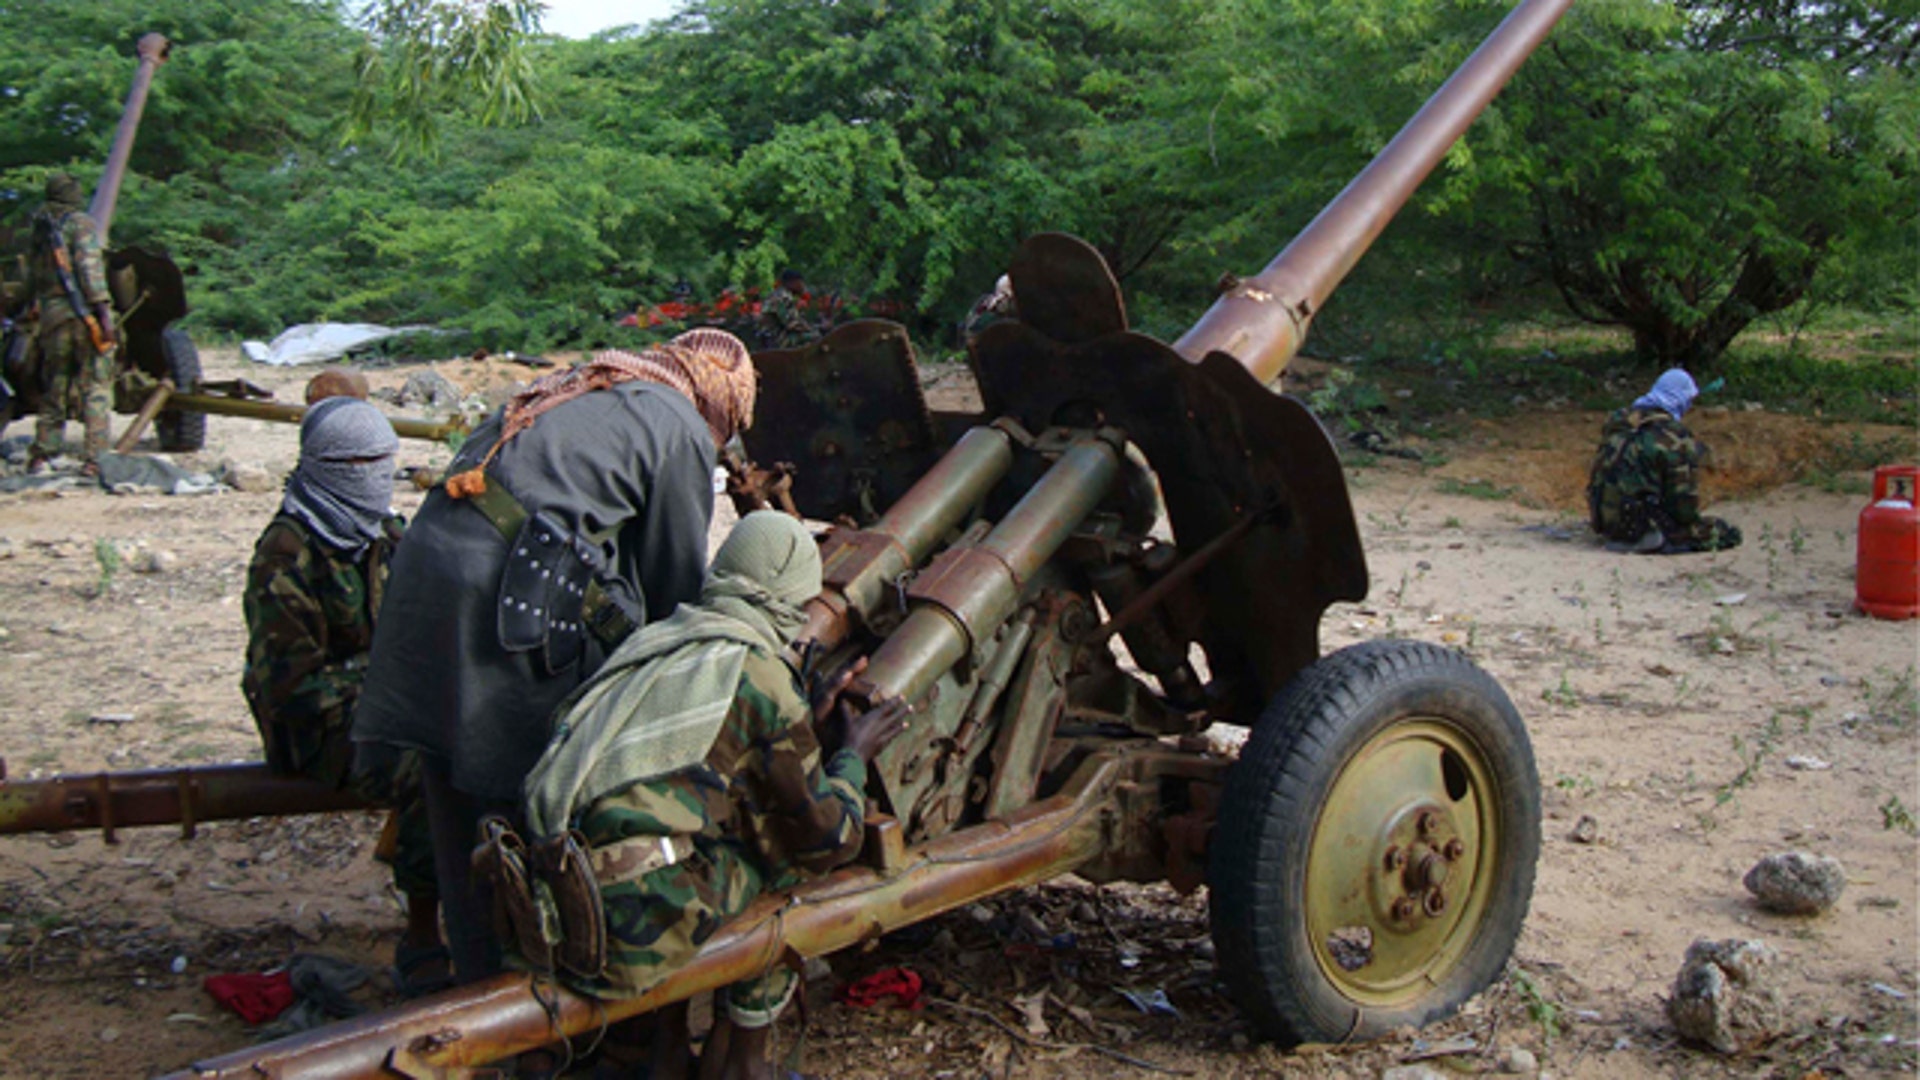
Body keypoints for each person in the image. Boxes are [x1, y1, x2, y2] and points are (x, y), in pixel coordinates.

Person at [352, 328, 758, 986]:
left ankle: (466, 965)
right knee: (533, 785)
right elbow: (674, 587)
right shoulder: (681, 423)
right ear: (719, 404)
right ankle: (530, 990)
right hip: (503, 591)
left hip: (426, 574)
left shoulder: (587, 383)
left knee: (450, 784)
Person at [501, 510, 909, 1080]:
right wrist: (851, 755)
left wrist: (797, 726)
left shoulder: (662, 640)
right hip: (620, 934)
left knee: (693, 835)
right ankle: (743, 1058)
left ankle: (661, 1047)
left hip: (548, 904)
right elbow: (829, 839)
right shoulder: (757, 673)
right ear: (792, 596)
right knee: (787, 863)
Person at [241, 397, 447, 992]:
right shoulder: (286, 557)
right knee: (425, 768)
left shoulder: (381, 531)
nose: (378, 479)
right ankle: (423, 933)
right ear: (334, 468)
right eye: (366, 465)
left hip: (385, 704)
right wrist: (388, 675)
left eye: (386, 464)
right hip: (316, 732)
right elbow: (291, 690)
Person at [1588, 368, 1742, 554]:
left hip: (1604, 521)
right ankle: (1646, 536)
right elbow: (1683, 506)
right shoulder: (1673, 436)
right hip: (1641, 526)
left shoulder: (1619, 420)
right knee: (1724, 532)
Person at [25, 173, 115, 474]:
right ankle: (96, 458)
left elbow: (32, 277)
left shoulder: (40, 226)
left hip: (52, 316)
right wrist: (103, 313)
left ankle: (44, 451)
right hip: (81, 314)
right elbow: (90, 269)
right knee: (96, 385)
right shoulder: (81, 224)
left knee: (56, 383)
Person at [756, 269, 817, 350]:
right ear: (792, 283)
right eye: (800, 282)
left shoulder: (777, 294)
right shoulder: (783, 297)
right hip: (777, 340)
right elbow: (791, 324)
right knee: (816, 337)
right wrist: (812, 329)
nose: (802, 286)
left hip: (770, 337)